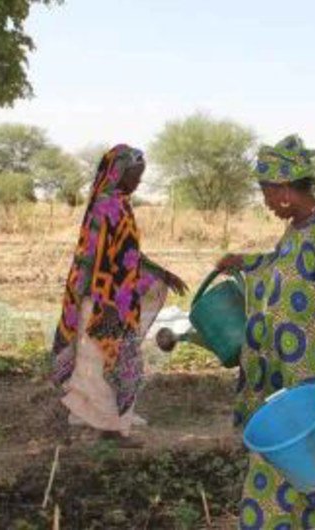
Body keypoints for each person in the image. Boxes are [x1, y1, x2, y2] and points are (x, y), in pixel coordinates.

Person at [217, 135, 315, 530]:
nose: (266, 203)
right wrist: (244, 262)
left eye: (267, 193)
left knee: (309, 461)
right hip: (289, 373)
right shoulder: (296, 228)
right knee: (309, 464)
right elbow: (280, 267)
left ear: (285, 190)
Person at [51, 145, 186, 444]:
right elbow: (95, 257)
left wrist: (160, 272)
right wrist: (105, 303)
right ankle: (109, 429)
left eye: (140, 177)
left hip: (114, 299)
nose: (138, 182)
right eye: (135, 176)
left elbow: (127, 253)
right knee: (99, 359)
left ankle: (100, 417)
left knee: (108, 358)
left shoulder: (119, 203)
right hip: (102, 299)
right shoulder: (106, 205)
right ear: (118, 172)